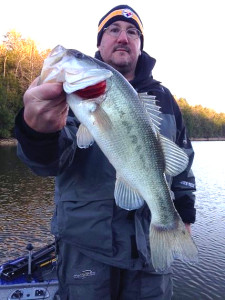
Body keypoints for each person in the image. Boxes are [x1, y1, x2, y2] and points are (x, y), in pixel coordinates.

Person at [15, 5, 196, 300]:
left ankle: (167, 224)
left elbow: (183, 162)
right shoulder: (68, 95)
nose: (123, 37)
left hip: (148, 254)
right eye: (113, 30)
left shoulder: (164, 100)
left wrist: (184, 213)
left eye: (132, 32)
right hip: (86, 248)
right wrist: (36, 133)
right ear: (100, 43)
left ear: (139, 45)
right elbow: (50, 161)